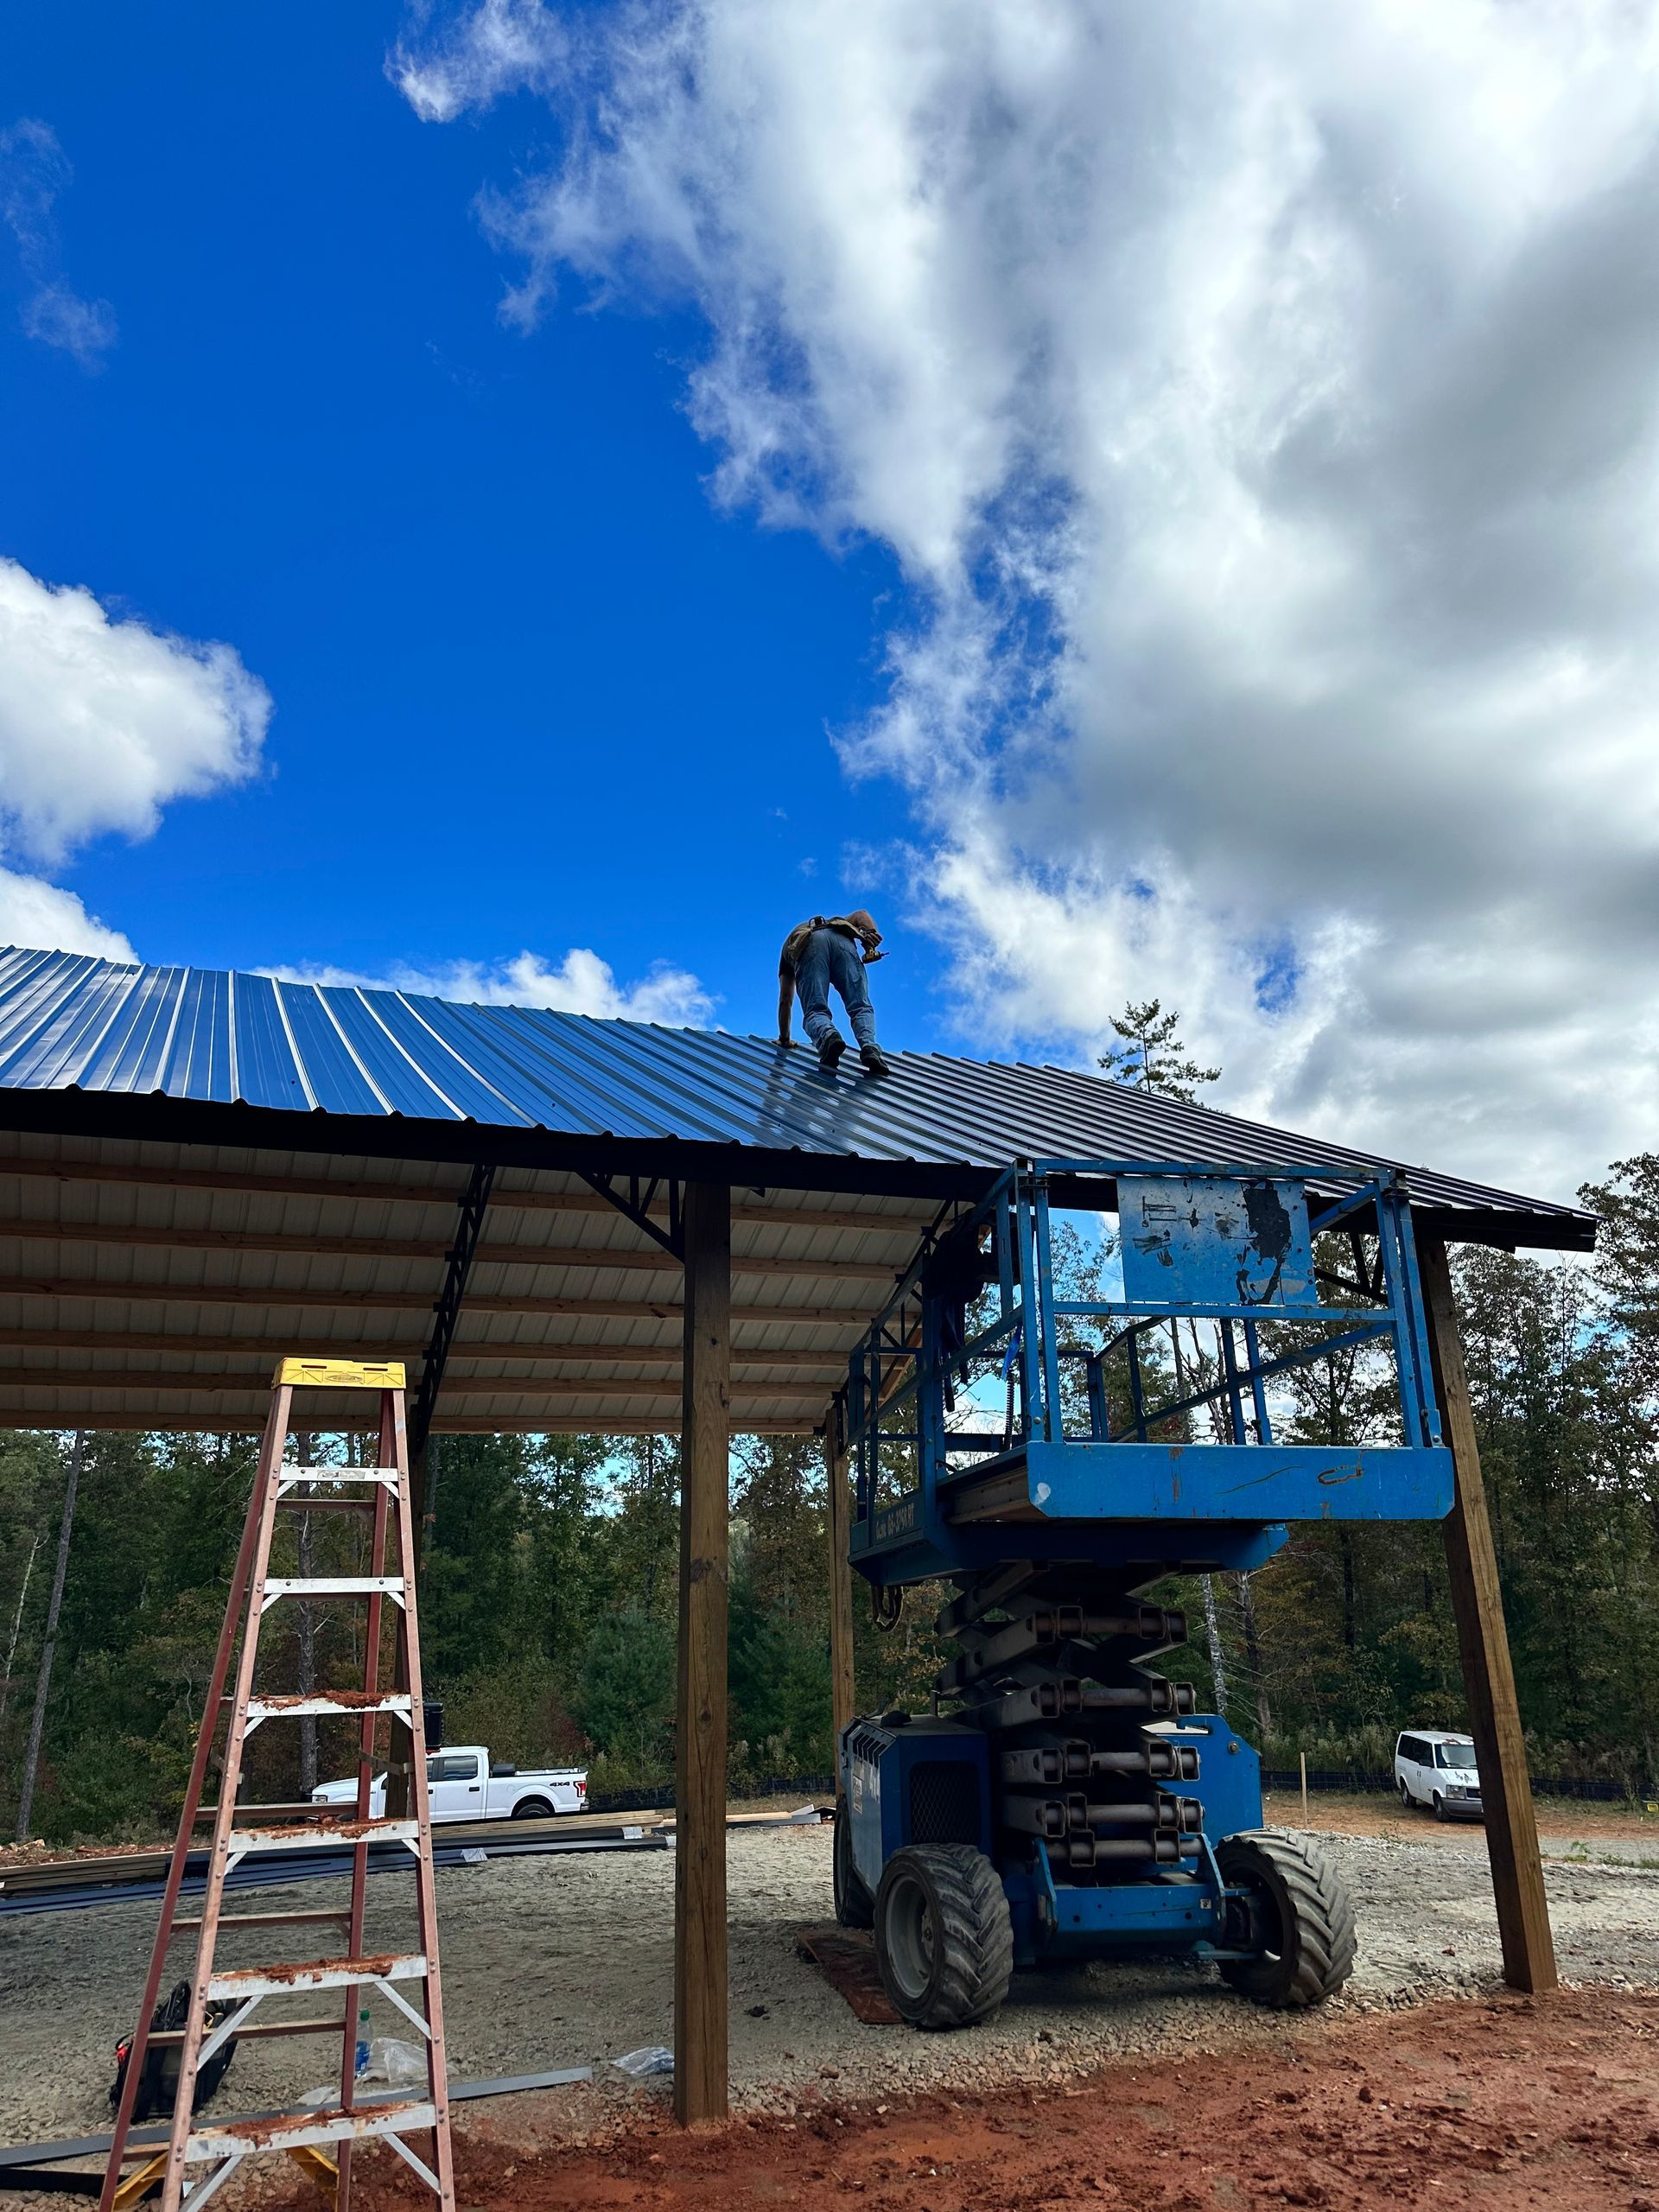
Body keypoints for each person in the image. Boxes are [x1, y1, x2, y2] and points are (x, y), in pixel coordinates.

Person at [777, 910, 891, 1072]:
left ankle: (828, 1036)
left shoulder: (787, 951)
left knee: (815, 1010)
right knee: (860, 1005)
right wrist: (870, 937)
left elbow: (785, 1000)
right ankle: (869, 1047)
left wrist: (784, 1039)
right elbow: (861, 915)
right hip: (841, 940)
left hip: (807, 944)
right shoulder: (833, 923)